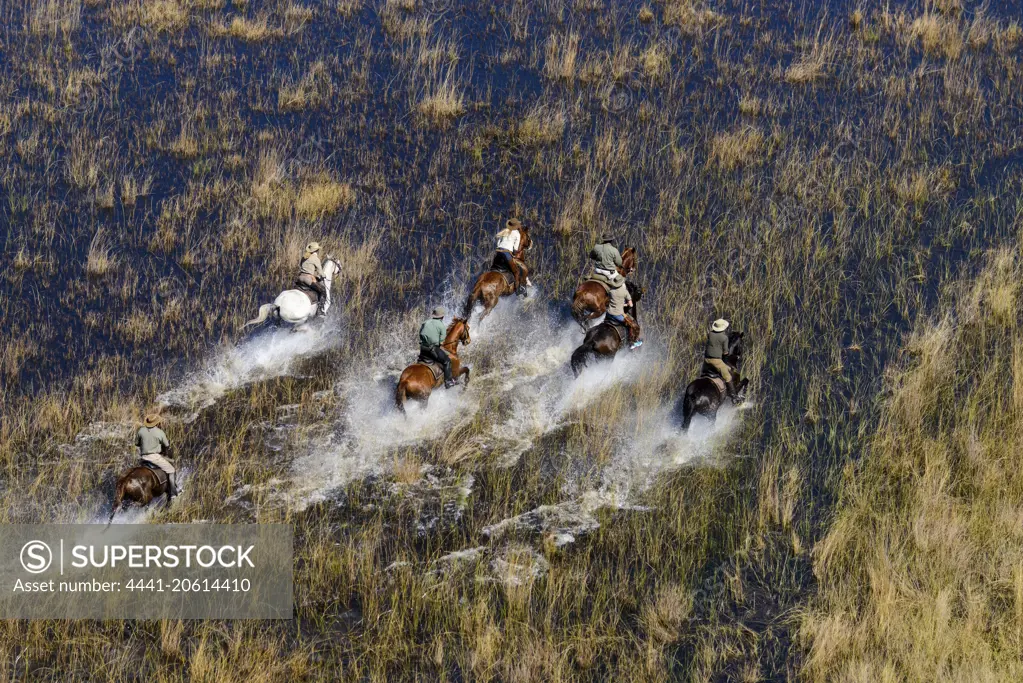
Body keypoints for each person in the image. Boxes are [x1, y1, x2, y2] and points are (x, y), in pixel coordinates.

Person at [136, 413, 178, 499]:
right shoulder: (160, 432)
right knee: (171, 470)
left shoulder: (141, 430)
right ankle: (173, 493)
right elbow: (167, 445)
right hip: (155, 457)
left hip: (143, 457)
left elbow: (137, 443)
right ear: (156, 423)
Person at [419, 306, 456, 388]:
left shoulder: (425, 322)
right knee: (447, 361)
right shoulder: (441, 326)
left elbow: (420, 334)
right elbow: (441, 342)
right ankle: (448, 381)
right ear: (442, 317)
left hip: (422, 349)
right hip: (432, 349)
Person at [492, 218, 530, 296]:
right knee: (516, 272)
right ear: (516, 226)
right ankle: (518, 290)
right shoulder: (517, 233)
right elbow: (516, 249)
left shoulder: (504, 231)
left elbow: (498, 244)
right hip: (506, 253)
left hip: (498, 253)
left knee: (493, 269)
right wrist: (513, 252)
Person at [705, 318, 738, 403]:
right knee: (728, 377)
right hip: (716, 361)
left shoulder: (710, 334)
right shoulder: (724, 338)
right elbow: (726, 352)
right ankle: (734, 397)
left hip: (706, 360)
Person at [605, 281, 642, 350]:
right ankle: (632, 343)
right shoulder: (624, 292)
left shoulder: (611, 291)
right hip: (618, 315)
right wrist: (627, 304)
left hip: (608, 314)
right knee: (633, 325)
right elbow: (631, 305)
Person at [296, 241, 327, 315]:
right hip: (308, 279)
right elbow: (320, 271)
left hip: (300, 277)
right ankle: (319, 310)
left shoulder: (304, 257)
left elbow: (302, 266)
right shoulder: (315, 258)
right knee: (323, 291)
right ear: (317, 250)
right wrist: (324, 276)